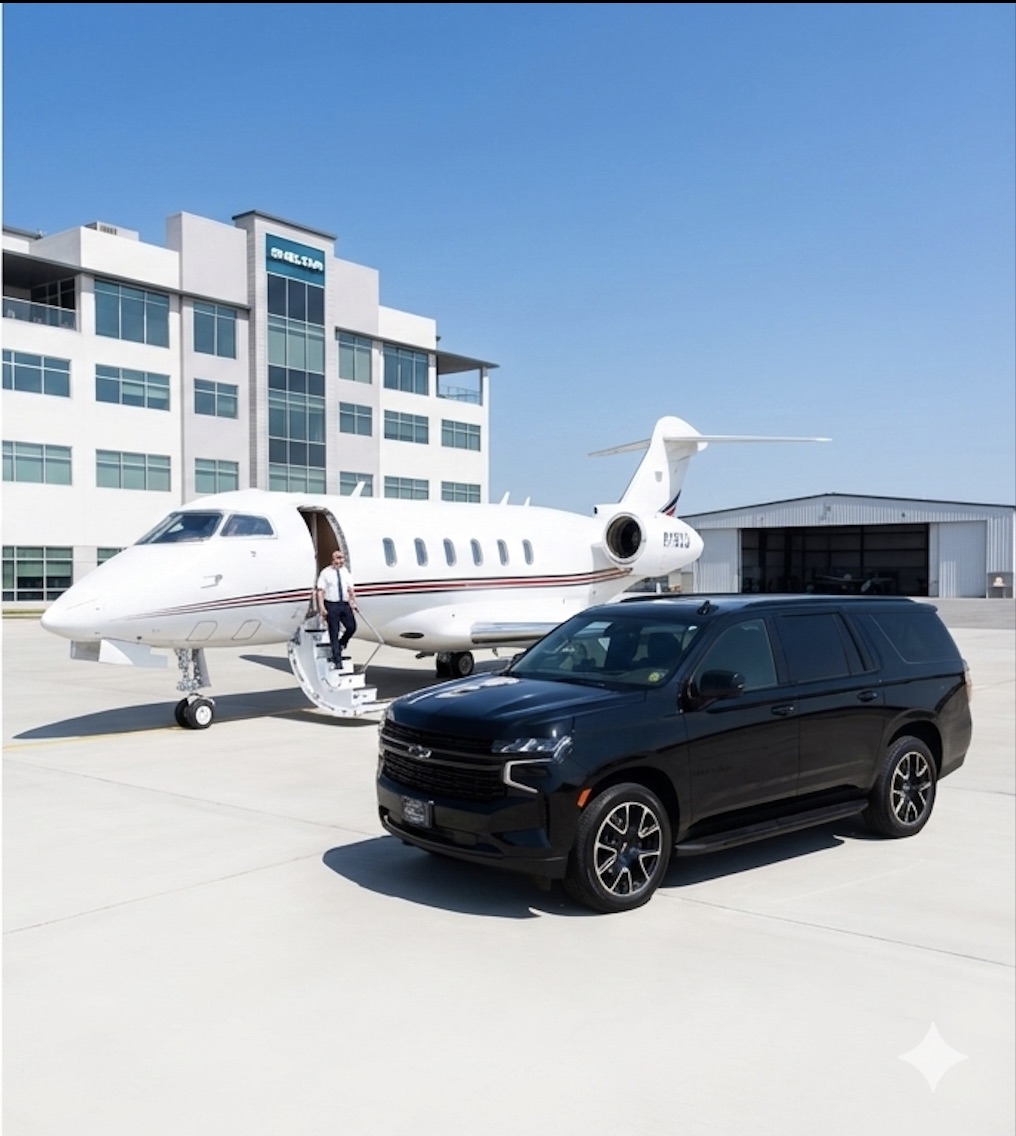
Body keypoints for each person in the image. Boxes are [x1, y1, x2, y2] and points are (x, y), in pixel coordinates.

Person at [316, 549, 358, 668]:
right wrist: (322, 607)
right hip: (332, 604)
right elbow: (320, 591)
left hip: (344, 604)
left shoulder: (345, 572)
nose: (340, 561)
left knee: (352, 627)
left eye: (342, 558)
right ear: (333, 560)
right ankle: (337, 660)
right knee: (334, 632)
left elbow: (350, 589)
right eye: (338, 558)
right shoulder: (325, 573)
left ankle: (342, 643)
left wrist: (353, 602)